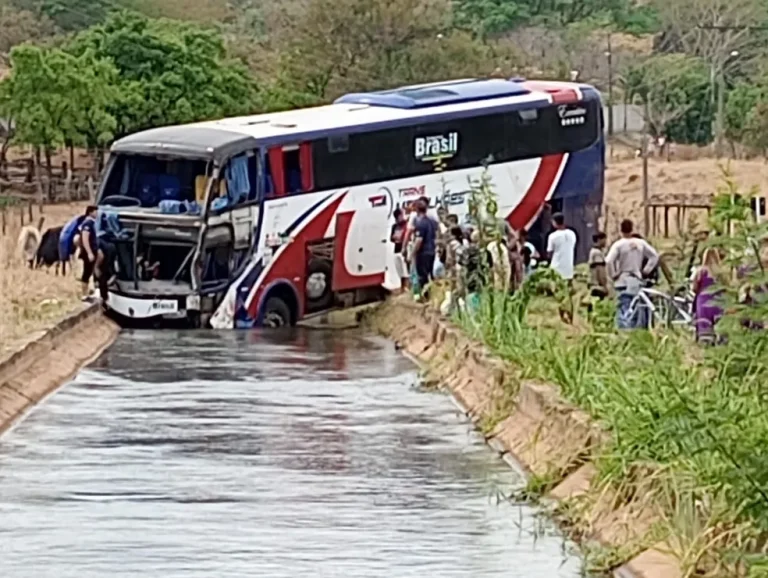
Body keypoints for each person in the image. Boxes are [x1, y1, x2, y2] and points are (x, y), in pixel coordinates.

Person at [606, 219, 660, 329]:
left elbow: (609, 261)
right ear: (632, 228)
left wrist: (613, 275)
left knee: (624, 306)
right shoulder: (640, 243)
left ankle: (625, 330)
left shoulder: (618, 245)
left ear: (620, 230)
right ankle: (637, 328)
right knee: (637, 305)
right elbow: (654, 256)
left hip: (623, 279)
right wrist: (646, 270)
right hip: (637, 278)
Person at [692, 247, 726, 344]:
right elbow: (727, 286)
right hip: (718, 300)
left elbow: (694, 287)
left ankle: (705, 342)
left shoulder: (700, 271)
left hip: (703, 301)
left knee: (704, 323)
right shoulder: (721, 272)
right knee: (720, 323)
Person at [411, 198, 438, 299]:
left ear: (417, 210)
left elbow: (419, 240)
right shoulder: (432, 222)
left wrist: (412, 253)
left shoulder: (420, 223)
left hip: (423, 253)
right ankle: (433, 296)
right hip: (432, 251)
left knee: (423, 276)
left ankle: (426, 297)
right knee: (431, 275)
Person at [546, 213, 577, 283]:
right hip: (569, 268)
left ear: (554, 222)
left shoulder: (552, 236)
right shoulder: (572, 234)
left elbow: (549, 253)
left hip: (556, 269)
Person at [78, 205, 99, 301]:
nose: (97, 213)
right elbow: (85, 238)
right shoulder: (87, 224)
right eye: (95, 211)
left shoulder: (92, 223)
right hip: (88, 252)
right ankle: (84, 294)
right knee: (86, 272)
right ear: (90, 212)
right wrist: (89, 252)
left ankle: (88, 292)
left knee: (90, 271)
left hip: (92, 250)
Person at [390, 208, 409, 291]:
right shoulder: (394, 226)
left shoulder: (407, 224)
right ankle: (402, 287)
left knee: (406, 269)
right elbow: (391, 238)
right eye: (401, 215)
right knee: (399, 269)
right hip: (397, 249)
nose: (402, 216)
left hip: (405, 249)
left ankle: (408, 286)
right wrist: (394, 238)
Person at [588, 232, 610, 299]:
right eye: (604, 240)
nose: (605, 242)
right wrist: (604, 286)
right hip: (598, 286)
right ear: (599, 240)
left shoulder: (594, 251)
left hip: (594, 285)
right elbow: (600, 270)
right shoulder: (597, 253)